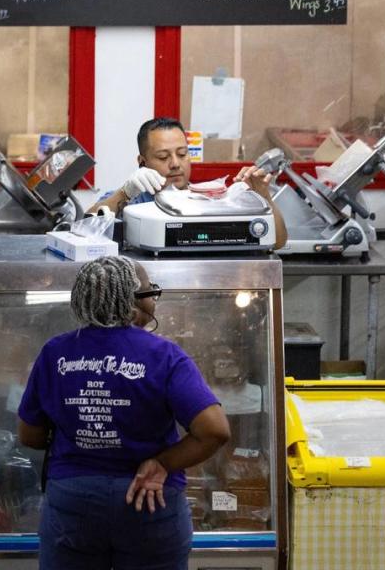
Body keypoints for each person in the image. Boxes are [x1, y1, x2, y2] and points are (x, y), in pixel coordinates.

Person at [17, 256, 231, 570]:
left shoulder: (55, 352)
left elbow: (29, 435)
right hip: (149, 499)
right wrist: (161, 464)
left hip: (74, 501)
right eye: (149, 293)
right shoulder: (165, 355)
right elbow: (215, 431)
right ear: (131, 302)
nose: (153, 301)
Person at [88, 117, 287, 249]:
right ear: (143, 162)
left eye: (182, 154)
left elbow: (277, 242)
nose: (175, 164)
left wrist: (264, 196)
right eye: (163, 156)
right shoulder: (134, 200)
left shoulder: (209, 198)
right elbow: (86, 227)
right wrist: (125, 193)